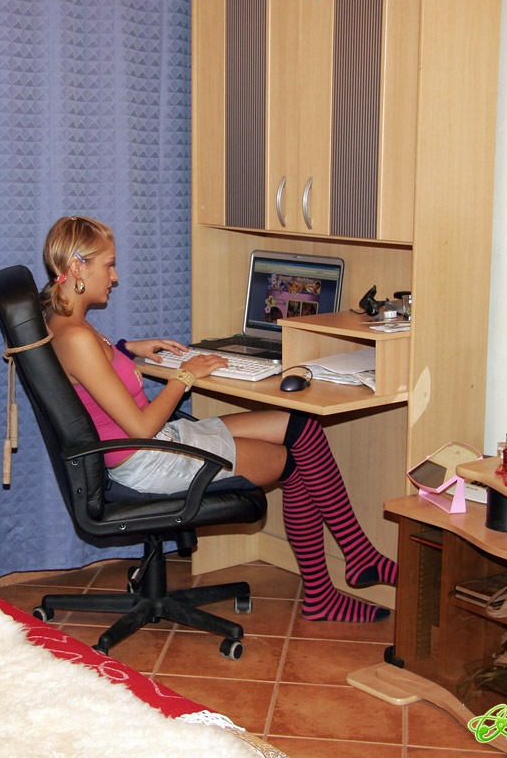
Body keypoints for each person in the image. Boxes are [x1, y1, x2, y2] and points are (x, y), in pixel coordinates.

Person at [39, 216, 397, 623]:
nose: (115, 276)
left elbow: (90, 371)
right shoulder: (78, 338)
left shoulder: (63, 324)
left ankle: (357, 556)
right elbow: (140, 427)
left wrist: (126, 349)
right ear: (78, 267)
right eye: (108, 265)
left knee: (301, 426)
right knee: (293, 462)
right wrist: (185, 375)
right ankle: (326, 592)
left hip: (152, 443)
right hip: (147, 456)